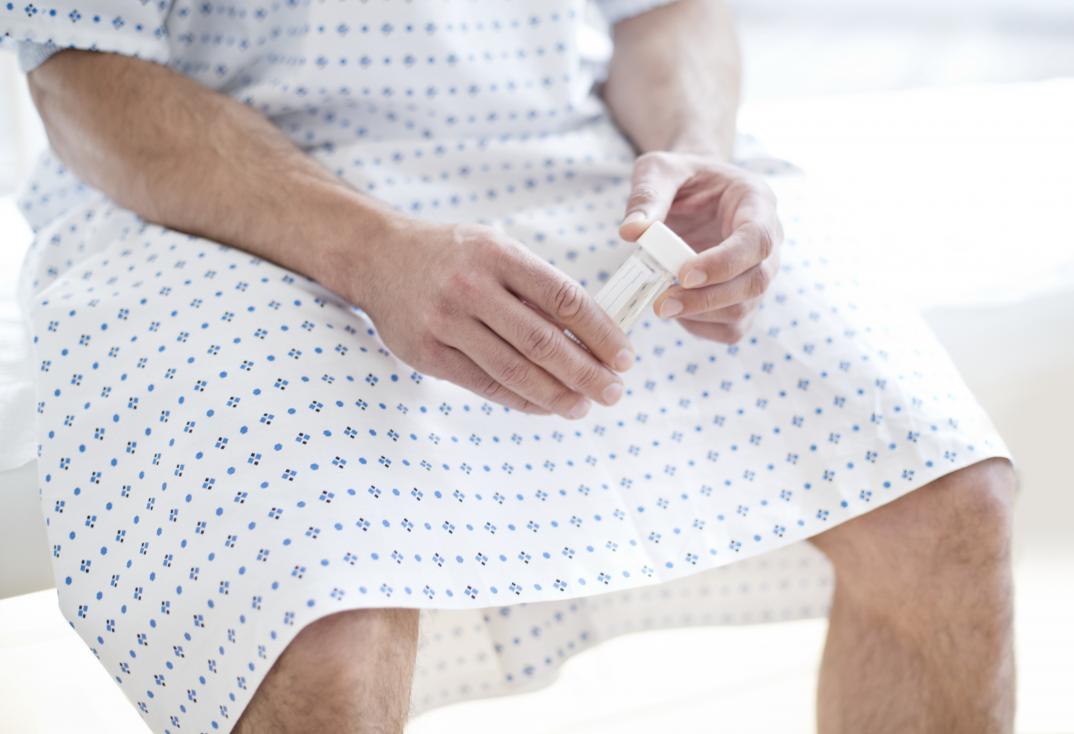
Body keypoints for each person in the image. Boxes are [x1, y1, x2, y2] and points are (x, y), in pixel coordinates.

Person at [3, 0, 1016, 731]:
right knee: (321, 627)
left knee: (950, 495)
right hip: (233, 201)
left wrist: (695, 146)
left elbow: (662, 10)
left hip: (578, 155)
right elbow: (79, 74)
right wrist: (370, 251)